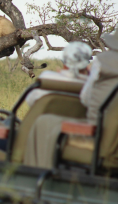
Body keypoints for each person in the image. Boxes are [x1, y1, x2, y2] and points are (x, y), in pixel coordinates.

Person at [23, 31, 118, 169]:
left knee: (43, 122)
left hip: (100, 138)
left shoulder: (103, 61)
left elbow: (86, 98)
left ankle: (35, 173)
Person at [26, 41, 91, 107]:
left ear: (64, 62)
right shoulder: (92, 86)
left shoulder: (47, 78)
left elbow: (30, 101)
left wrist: (60, 74)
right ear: (86, 65)